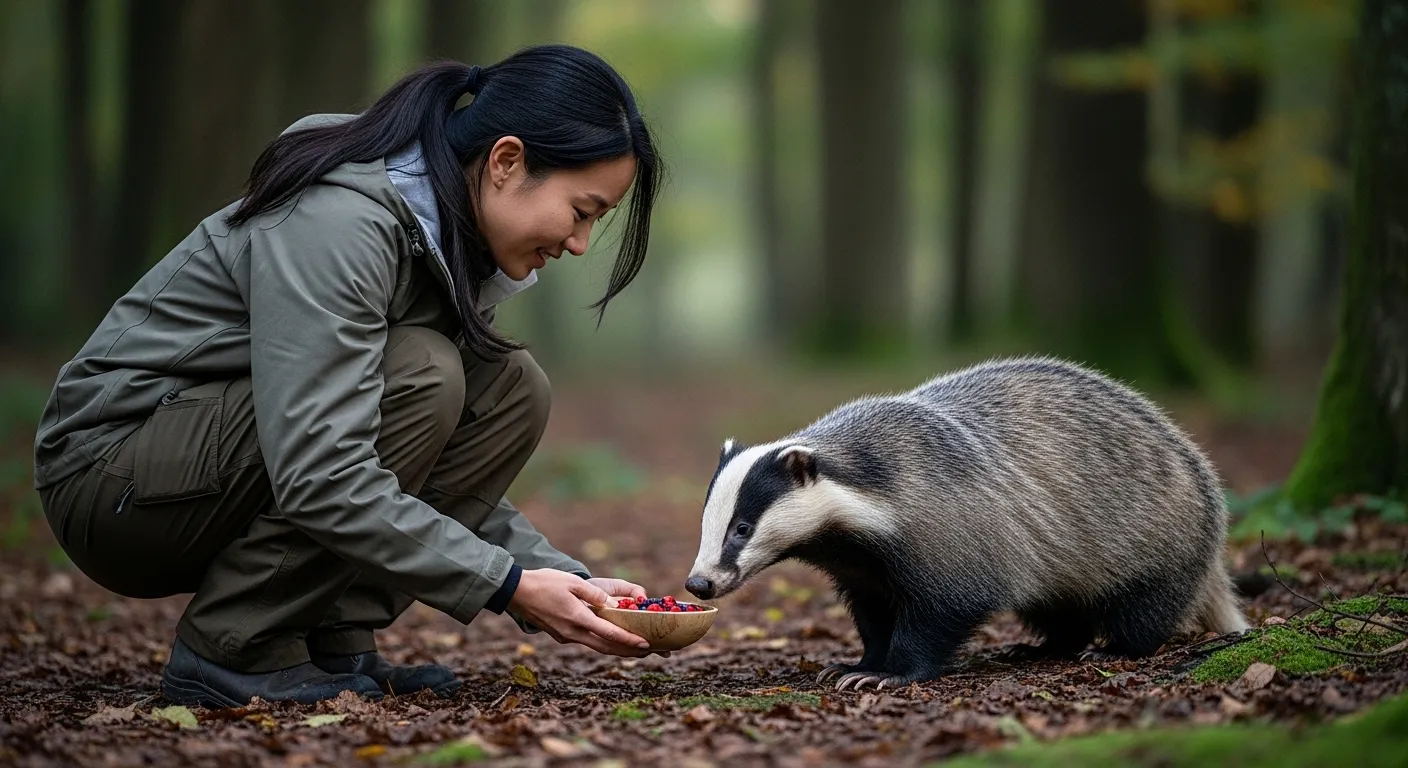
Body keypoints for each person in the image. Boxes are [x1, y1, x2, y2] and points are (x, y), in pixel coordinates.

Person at [32, 44, 666, 709]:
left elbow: (417, 462)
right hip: (109, 477)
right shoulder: (342, 222)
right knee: (425, 374)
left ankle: (329, 629)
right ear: (507, 161)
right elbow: (324, 469)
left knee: (510, 386)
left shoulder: (442, 235)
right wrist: (505, 584)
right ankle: (236, 643)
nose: (579, 243)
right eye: (583, 210)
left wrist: (558, 577)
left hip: (204, 463)